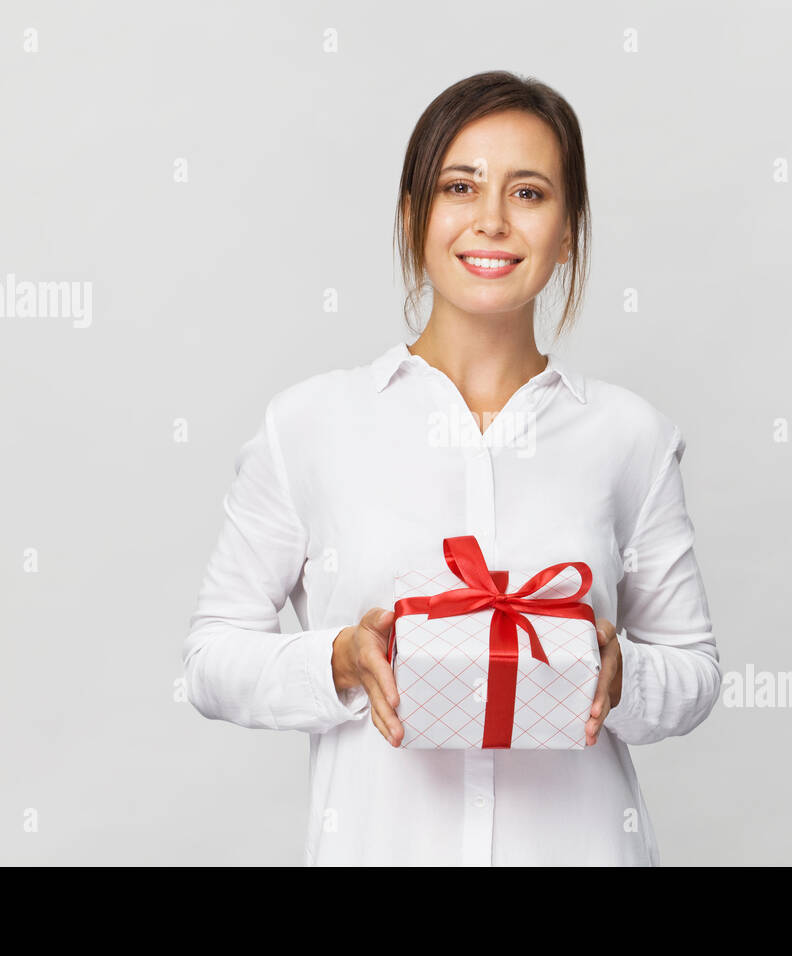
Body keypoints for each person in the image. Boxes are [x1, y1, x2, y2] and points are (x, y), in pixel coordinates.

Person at [183, 70, 721, 865]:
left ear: (569, 229)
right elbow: (211, 659)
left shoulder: (628, 435)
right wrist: (336, 661)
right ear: (413, 217)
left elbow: (695, 672)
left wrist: (622, 675)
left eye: (530, 193)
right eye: (460, 187)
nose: (493, 221)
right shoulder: (309, 425)